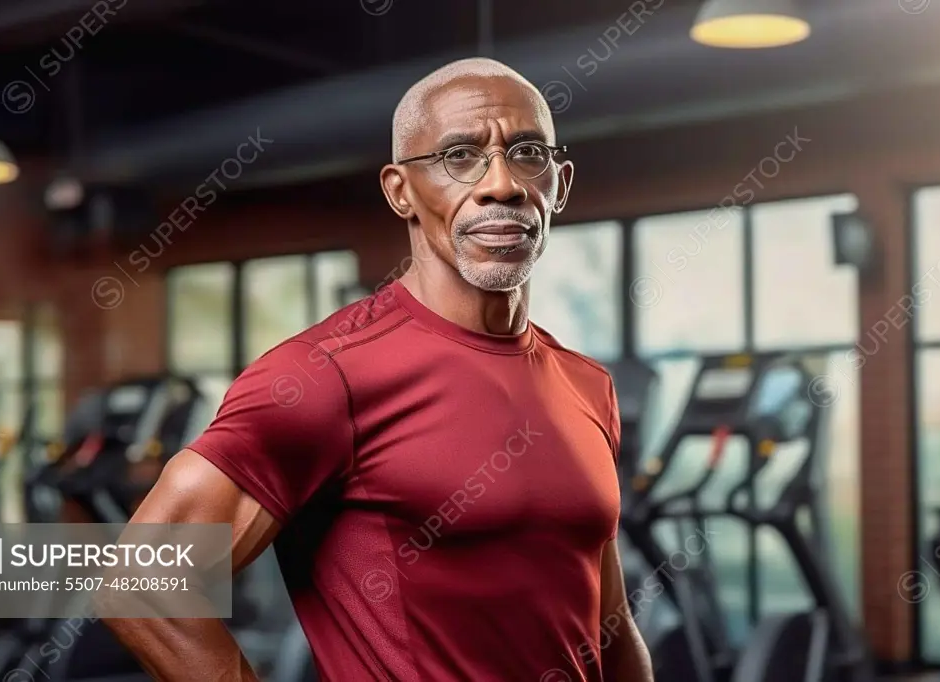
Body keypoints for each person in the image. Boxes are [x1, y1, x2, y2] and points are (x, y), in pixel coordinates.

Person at [102, 57, 654, 682]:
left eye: (527, 152)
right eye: (460, 156)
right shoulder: (322, 376)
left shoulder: (587, 384)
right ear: (399, 191)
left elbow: (609, 623)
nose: (502, 183)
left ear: (560, 181)